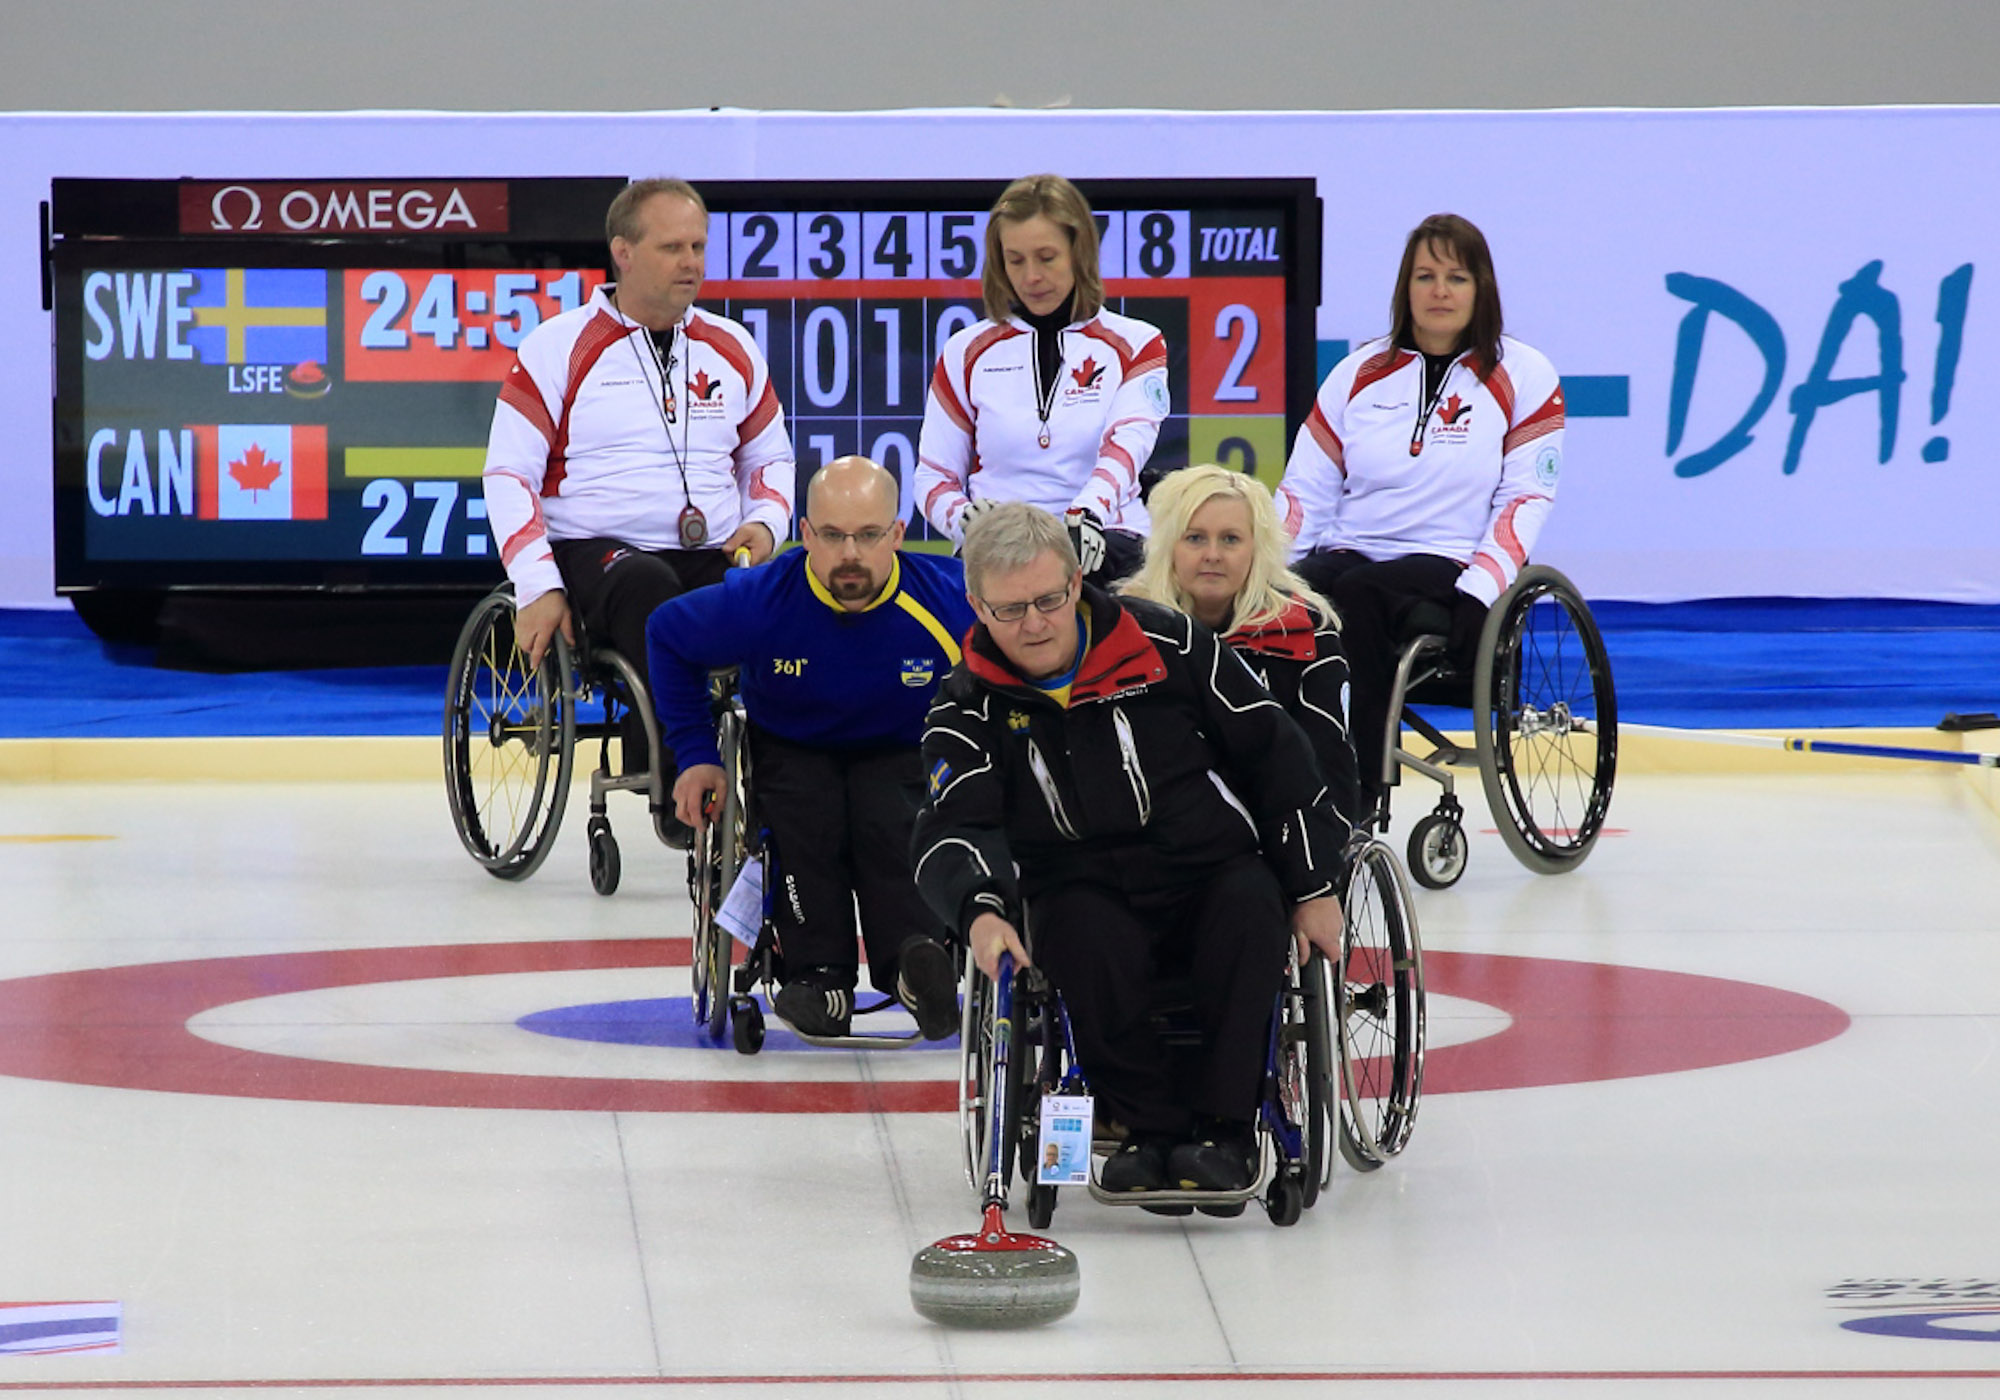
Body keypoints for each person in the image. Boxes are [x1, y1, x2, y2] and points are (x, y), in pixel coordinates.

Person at [913, 502, 1347, 1204]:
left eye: (1050, 600)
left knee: (1248, 911)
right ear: (976, 606)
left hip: (1209, 866)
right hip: (1077, 881)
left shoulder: (1167, 646)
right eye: (1010, 608)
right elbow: (951, 823)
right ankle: (1146, 1130)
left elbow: (1276, 754)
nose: (1034, 623)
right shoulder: (967, 703)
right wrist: (981, 910)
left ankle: (1225, 1131)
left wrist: (1312, 885)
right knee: (1080, 938)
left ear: (1079, 580)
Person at [481, 177, 796, 813]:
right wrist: (538, 587)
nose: (692, 263)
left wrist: (765, 525)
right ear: (623, 252)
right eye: (673, 247)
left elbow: (770, 458)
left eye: (699, 247)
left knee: (792, 592)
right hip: (597, 555)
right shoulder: (558, 345)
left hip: (711, 550)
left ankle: (795, 785)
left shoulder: (732, 347)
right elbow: (508, 474)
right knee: (649, 587)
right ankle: (689, 784)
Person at [645, 456, 973, 1041]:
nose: (851, 553)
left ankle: (913, 968)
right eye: (833, 535)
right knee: (807, 822)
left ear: (898, 534)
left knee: (893, 820)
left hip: (902, 750)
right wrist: (696, 754)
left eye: (870, 535)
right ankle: (820, 979)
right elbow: (667, 634)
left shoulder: (950, 601)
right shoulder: (761, 600)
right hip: (793, 747)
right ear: (805, 534)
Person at [1275, 213, 1564, 812]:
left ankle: (1355, 793)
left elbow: (1524, 499)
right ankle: (1279, 780)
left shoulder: (1524, 374)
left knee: (1357, 598)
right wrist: (1266, 572)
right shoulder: (1358, 371)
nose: (1439, 291)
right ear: (1404, 288)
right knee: (1289, 602)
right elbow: (1305, 487)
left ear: (1481, 288)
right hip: (1353, 546)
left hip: (1450, 558)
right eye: (1425, 276)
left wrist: (1481, 590)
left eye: (1456, 277)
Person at [915, 174, 1170, 586]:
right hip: (998, 548)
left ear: (1080, 252)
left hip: (1106, 542)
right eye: (1015, 260)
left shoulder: (1138, 344)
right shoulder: (965, 351)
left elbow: (1124, 453)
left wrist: (1084, 517)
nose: (1031, 276)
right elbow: (933, 477)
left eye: (1046, 257)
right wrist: (964, 520)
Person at [1122, 464, 1363, 833]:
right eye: (1195, 538)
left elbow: (1331, 763)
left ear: (1257, 548)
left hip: (1274, 836)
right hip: (1159, 843)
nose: (1213, 554)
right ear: (1168, 545)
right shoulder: (1127, 631)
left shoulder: (1305, 632)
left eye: (1231, 539)